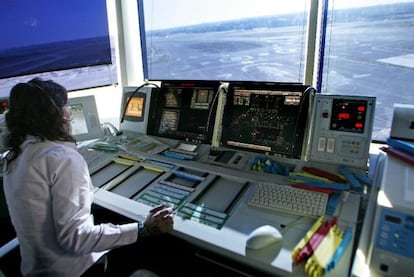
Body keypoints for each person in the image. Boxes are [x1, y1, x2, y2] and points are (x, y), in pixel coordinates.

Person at [2, 78, 174, 276]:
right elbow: (76, 239)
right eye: (65, 107)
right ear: (56, 115)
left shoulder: (13, 155)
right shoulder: (62, 159)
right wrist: (143, 229)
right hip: (77, 271)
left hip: (36, 269)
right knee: (158, 256)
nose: (69, 113)